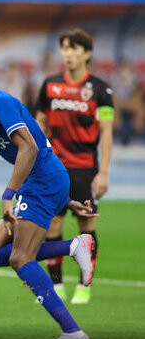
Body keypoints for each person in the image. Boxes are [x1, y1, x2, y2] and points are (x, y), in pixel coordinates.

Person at [0, 55, 98, 339]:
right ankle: (72, 246)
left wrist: (8, 195)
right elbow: (36, 148)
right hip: (43, 183)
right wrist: (64, 199)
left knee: (19, 257)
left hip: (41, 181)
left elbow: (29, 147)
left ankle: (73, 333)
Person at [35, 28, 114, 304]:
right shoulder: (49, 86)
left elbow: (106, 132)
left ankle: (84, 285)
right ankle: (56, 286)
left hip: (85, 169)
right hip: (55, 170)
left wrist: (103, 172)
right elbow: (39, 125)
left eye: (74, 48)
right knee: (52, 228)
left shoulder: (101, 90)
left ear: (87, 53)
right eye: (64, 48)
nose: (68, 53)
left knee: (86, 227)